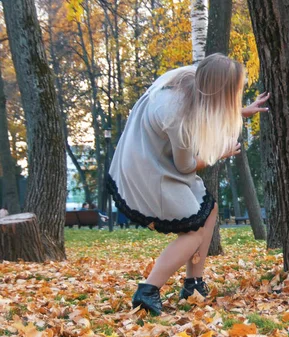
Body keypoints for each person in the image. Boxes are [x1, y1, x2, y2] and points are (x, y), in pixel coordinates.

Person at [107, 54, 269, 315]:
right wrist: (220, 152)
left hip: (156, 158)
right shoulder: (177, 116)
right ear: (222, 90)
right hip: (148, 168)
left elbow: (208, 107)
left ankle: (193, 284)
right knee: (193, 232)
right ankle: (147, 291)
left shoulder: (191, 78)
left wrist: (241, 111)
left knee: (210, 210)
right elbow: (185, 166)